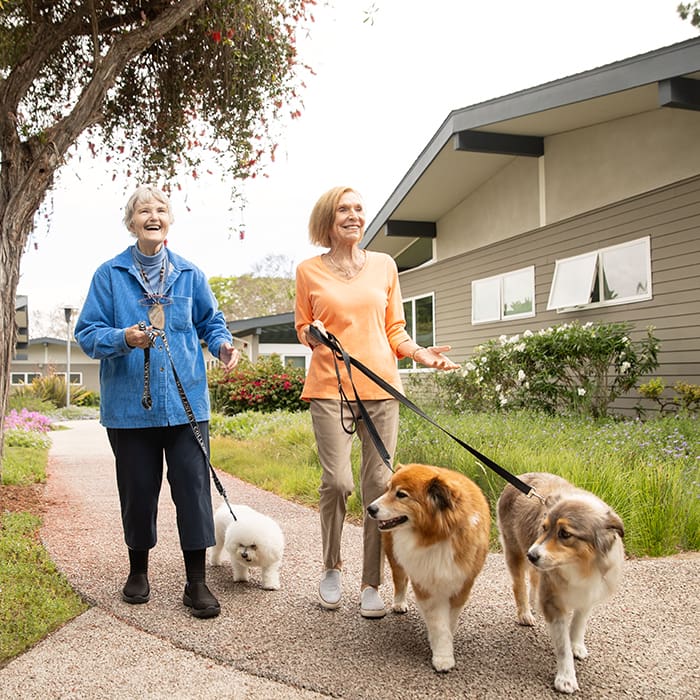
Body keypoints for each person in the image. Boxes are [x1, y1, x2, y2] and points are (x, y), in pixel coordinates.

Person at [75, 184, 240, 619]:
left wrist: (221, 345)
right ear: (131, 222)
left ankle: (196, 582)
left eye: (161, 209)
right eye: (144, 210)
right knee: (138, 492)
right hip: (129, 409)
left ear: (169, 221)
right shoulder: (108, 276)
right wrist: (122, 338)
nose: (153, 215)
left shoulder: (189, 274)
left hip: (187, 405)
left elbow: (211, 321)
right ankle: (138, 572)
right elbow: (87, 334)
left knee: (193, 492)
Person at [294, 185, 459, 618]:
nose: (353, 215)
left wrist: (420, 354)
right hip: (331, 387)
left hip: (382, 390)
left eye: (358, 209)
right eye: (343, 209)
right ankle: (331, 567)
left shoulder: (385, 265)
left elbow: (396, 330)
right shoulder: (309, 270)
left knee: (379, 489)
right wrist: (312, 332)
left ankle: (372, 583)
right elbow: (302, 327)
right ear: (327, 220)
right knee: (337, 483)